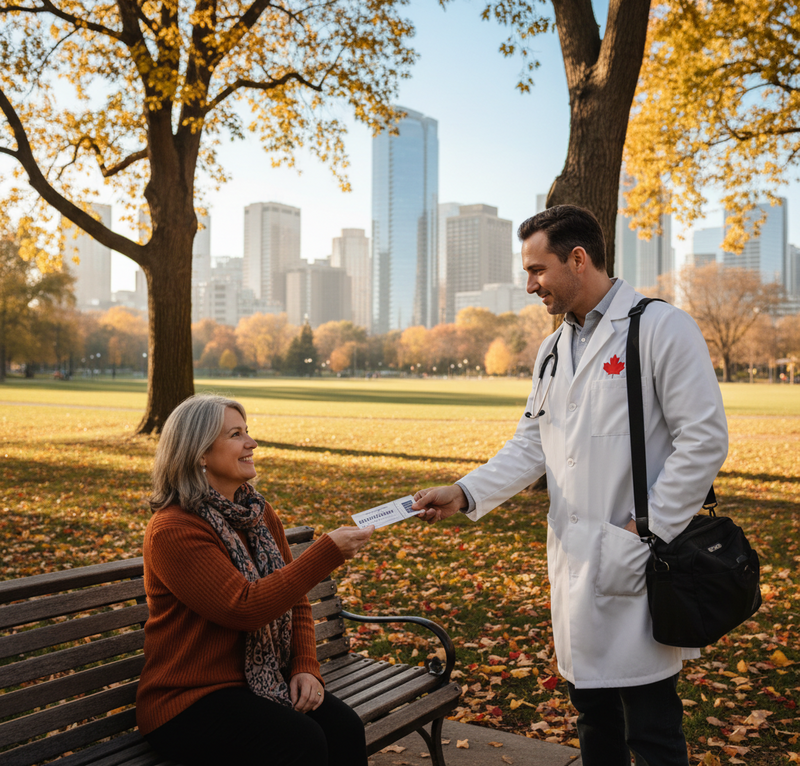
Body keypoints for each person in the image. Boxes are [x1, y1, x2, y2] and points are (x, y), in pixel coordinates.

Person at [412, 205, 728, 766]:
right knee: (594, 720)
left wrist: (644, 530)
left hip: (637, 558)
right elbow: (531, 444)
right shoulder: (553, 349)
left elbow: (703, 441)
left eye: (537, 270)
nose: (529, 284)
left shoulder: (660, 328)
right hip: (576, 564)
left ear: (577, 260)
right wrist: (463, 491)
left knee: (652, 729)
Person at [136, 393, 374, 766]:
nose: (252, 443)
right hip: (187, 701)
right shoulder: (173, 529)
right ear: (199, 453)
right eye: (236, 435)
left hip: (258, 680)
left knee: (344, 728)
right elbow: (243, 607)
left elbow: (294, 600)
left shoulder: (257, 513)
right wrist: (325, 553)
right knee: (302, 741)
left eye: (247, 431)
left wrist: (306, 667)